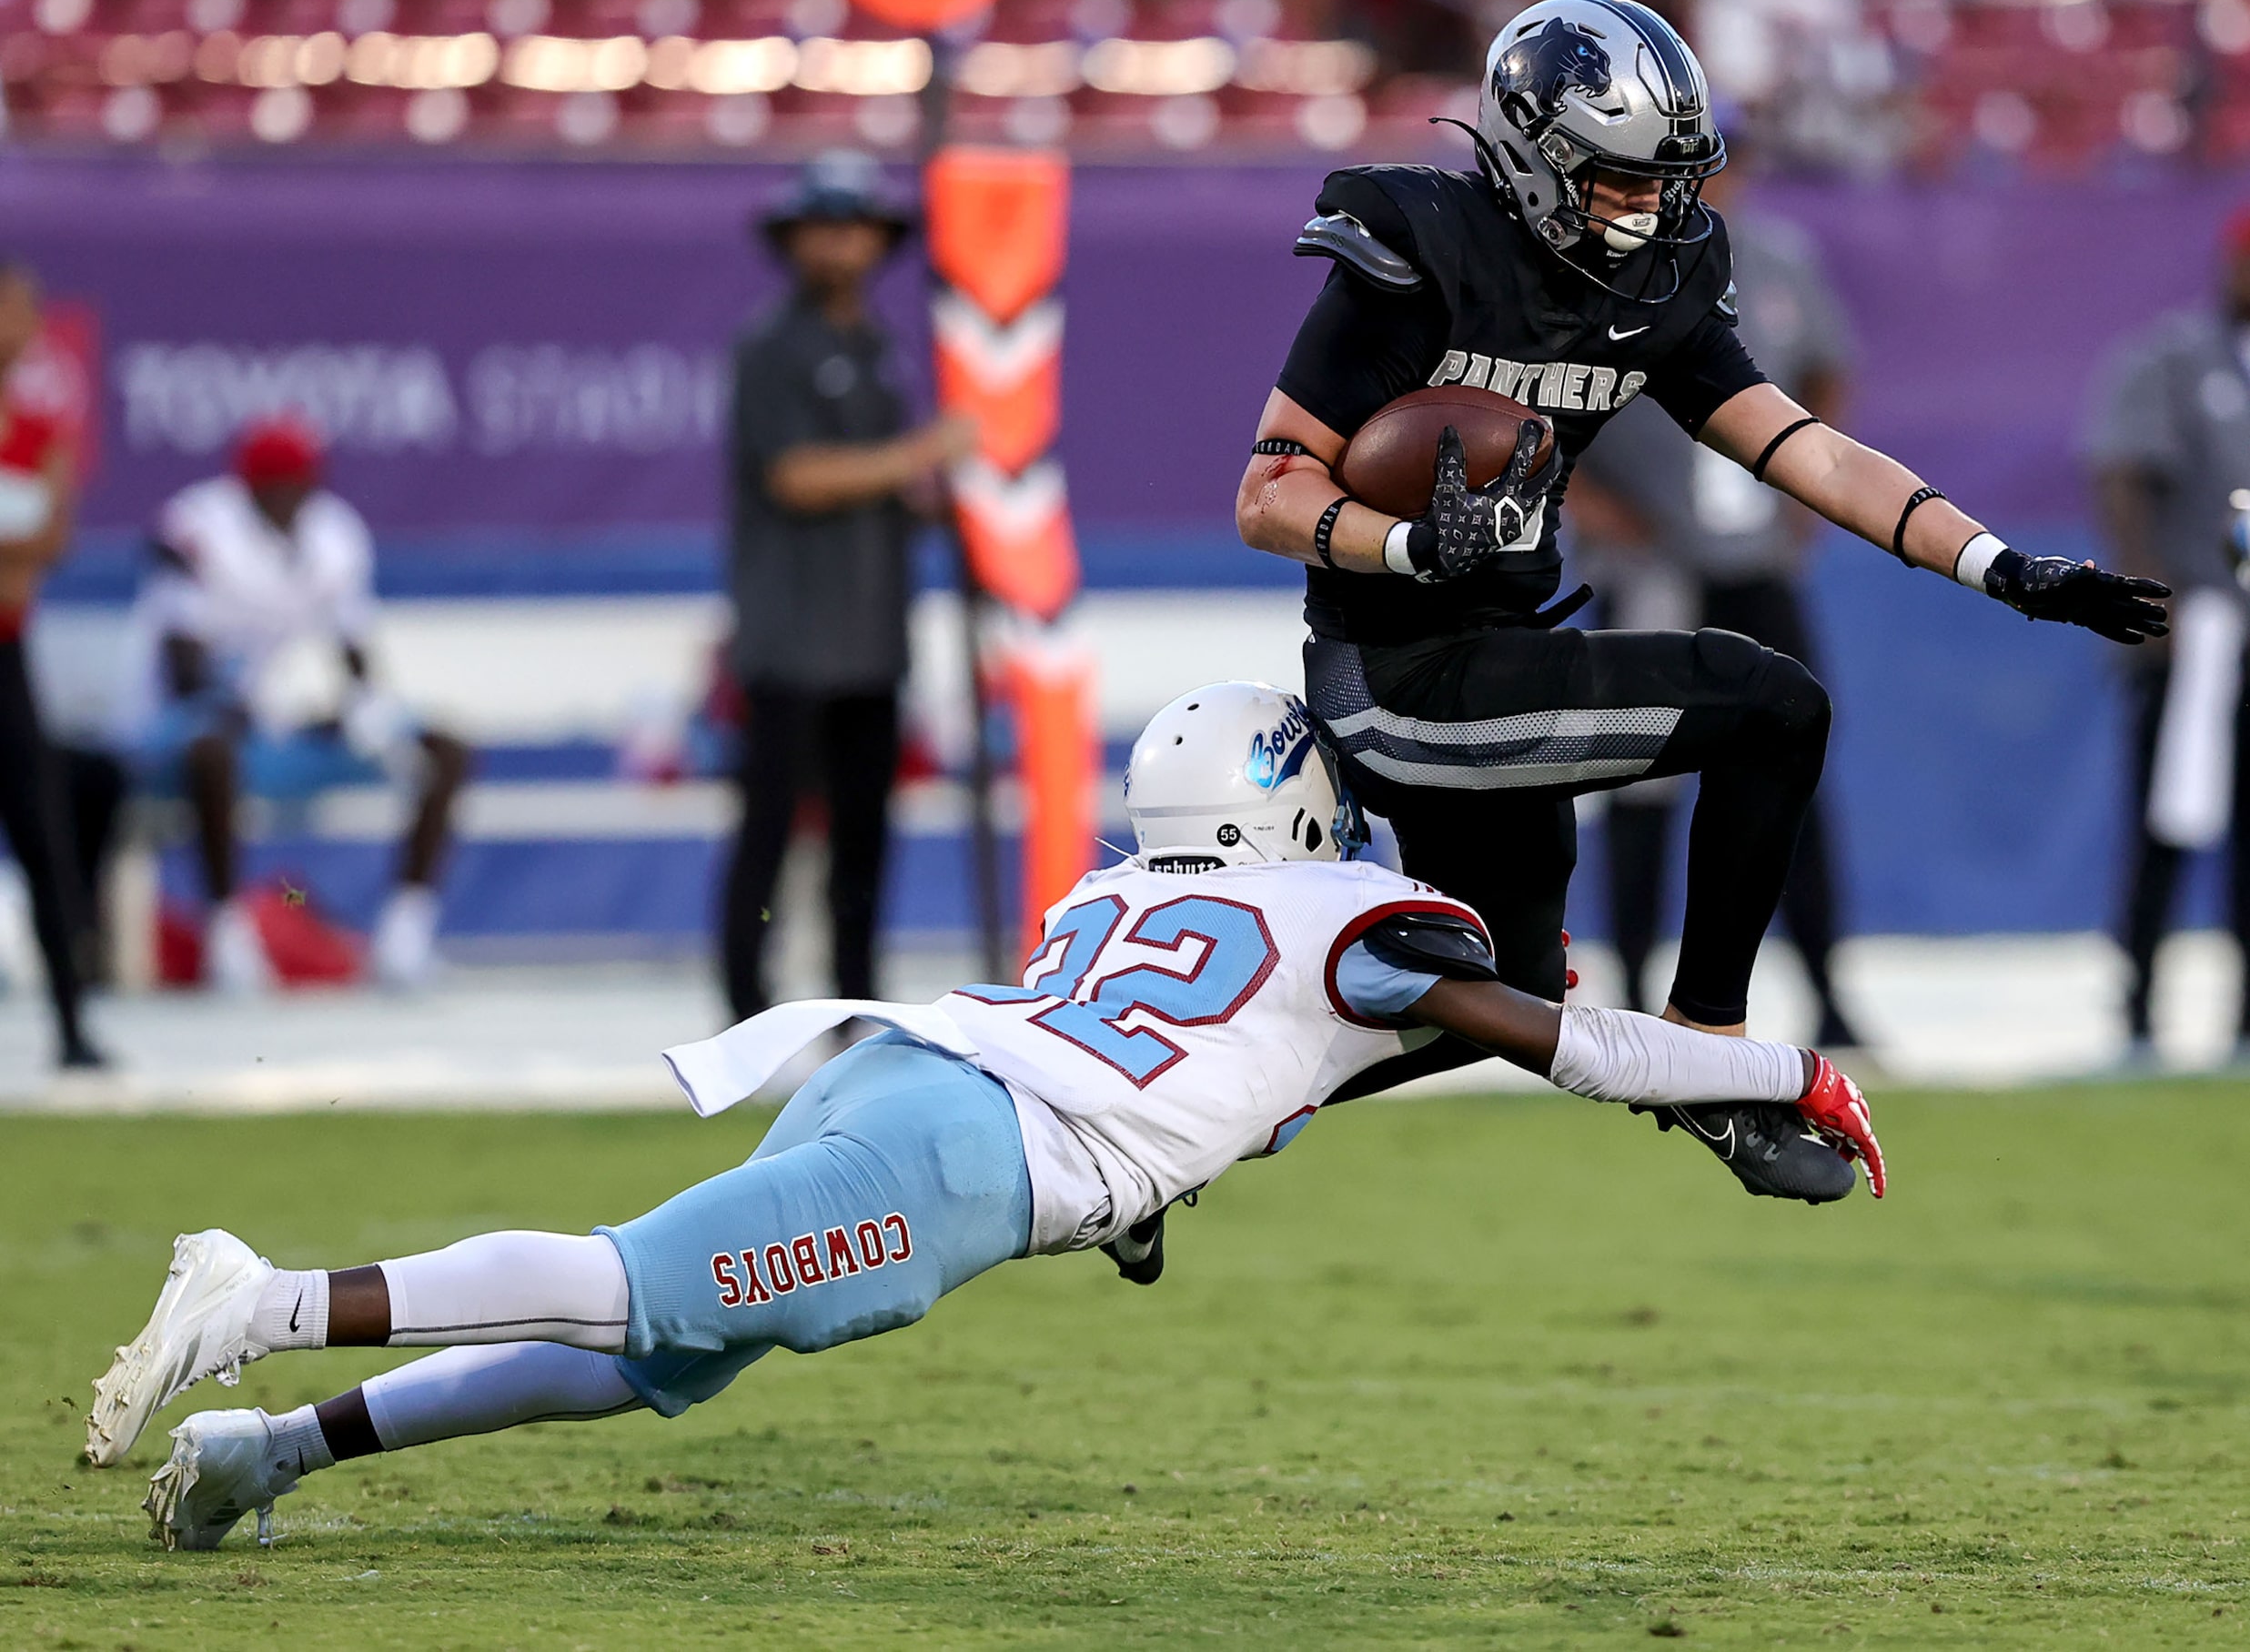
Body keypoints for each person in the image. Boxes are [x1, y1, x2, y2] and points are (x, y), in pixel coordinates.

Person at [84, 680, 1884, 1550]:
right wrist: (1778, 1068)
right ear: (1290, 807)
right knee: (632, 1289)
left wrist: (1144, 1180)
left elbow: (1203, 1063)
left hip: (902, 1072)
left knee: (652, 1354)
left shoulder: (1112, 891)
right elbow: (1568, 1043)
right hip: (955, 1163)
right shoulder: (1355, 918)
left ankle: (270, 1454)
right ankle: (263, 1295)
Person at [1233, 0, 2166, 1181]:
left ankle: (1188, 1112)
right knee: (1770, 702)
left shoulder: (1659, 277)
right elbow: (1268, 494)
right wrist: (1411, 546)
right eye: (1619, 176)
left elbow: (1805, 448)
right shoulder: (1420, 249)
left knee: (1498, 1000)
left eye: (1665, 177)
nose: (1649, 205)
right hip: (1395, 671)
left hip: (1501, 644)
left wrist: (2000, 566)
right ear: (1530, 151)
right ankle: (1709, 1055)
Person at [1570, 117, 1862, 1045]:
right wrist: (1587, 500)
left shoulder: (1777, 260)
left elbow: (1827, 364)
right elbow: (1532, 399)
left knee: (1792, 773)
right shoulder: (1603, 266)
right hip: (1651, 560)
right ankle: (1633, 987)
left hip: (1750, 561)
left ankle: (1826, 988)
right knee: (1638, 785)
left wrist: (1805, 491)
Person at [720, 150, 976, 1021]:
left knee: (865, 839)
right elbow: (795, 476)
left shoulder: (875, 348)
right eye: (823, 227)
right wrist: (919, 455)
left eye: (854, 225)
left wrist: (952, 498)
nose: (841, 244)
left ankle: (855, 1005)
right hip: (791, 636)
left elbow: (886, 486)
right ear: (794, 240)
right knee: (770, 834)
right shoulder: (772, 347)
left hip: (871, 636)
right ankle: (746, 1006)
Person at [124, 413, 471, 993]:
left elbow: (354, 648)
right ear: (250, 486)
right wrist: (275, 712)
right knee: (213, 751)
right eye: (280, 485)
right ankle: (227, 938)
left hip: (268, 729)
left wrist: (360, 710)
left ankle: (403, 937)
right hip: (179, 728)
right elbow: (185, 672)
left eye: (302, 482)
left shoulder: (334, 532)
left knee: (444, 750)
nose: (293, 498)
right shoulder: (194, 527)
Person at [2084, 207, 2250, 1063]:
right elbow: (2122, 475)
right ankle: (2139, 1009)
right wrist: (2153, 600)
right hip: (2199, 626)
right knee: (2163, 822)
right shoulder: (2176, 359)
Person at [0, 258, 101, 1068]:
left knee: (44, 833)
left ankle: (71, 1024)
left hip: (7, 651)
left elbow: (54, 538)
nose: (26, 325)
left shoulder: (39, 424)